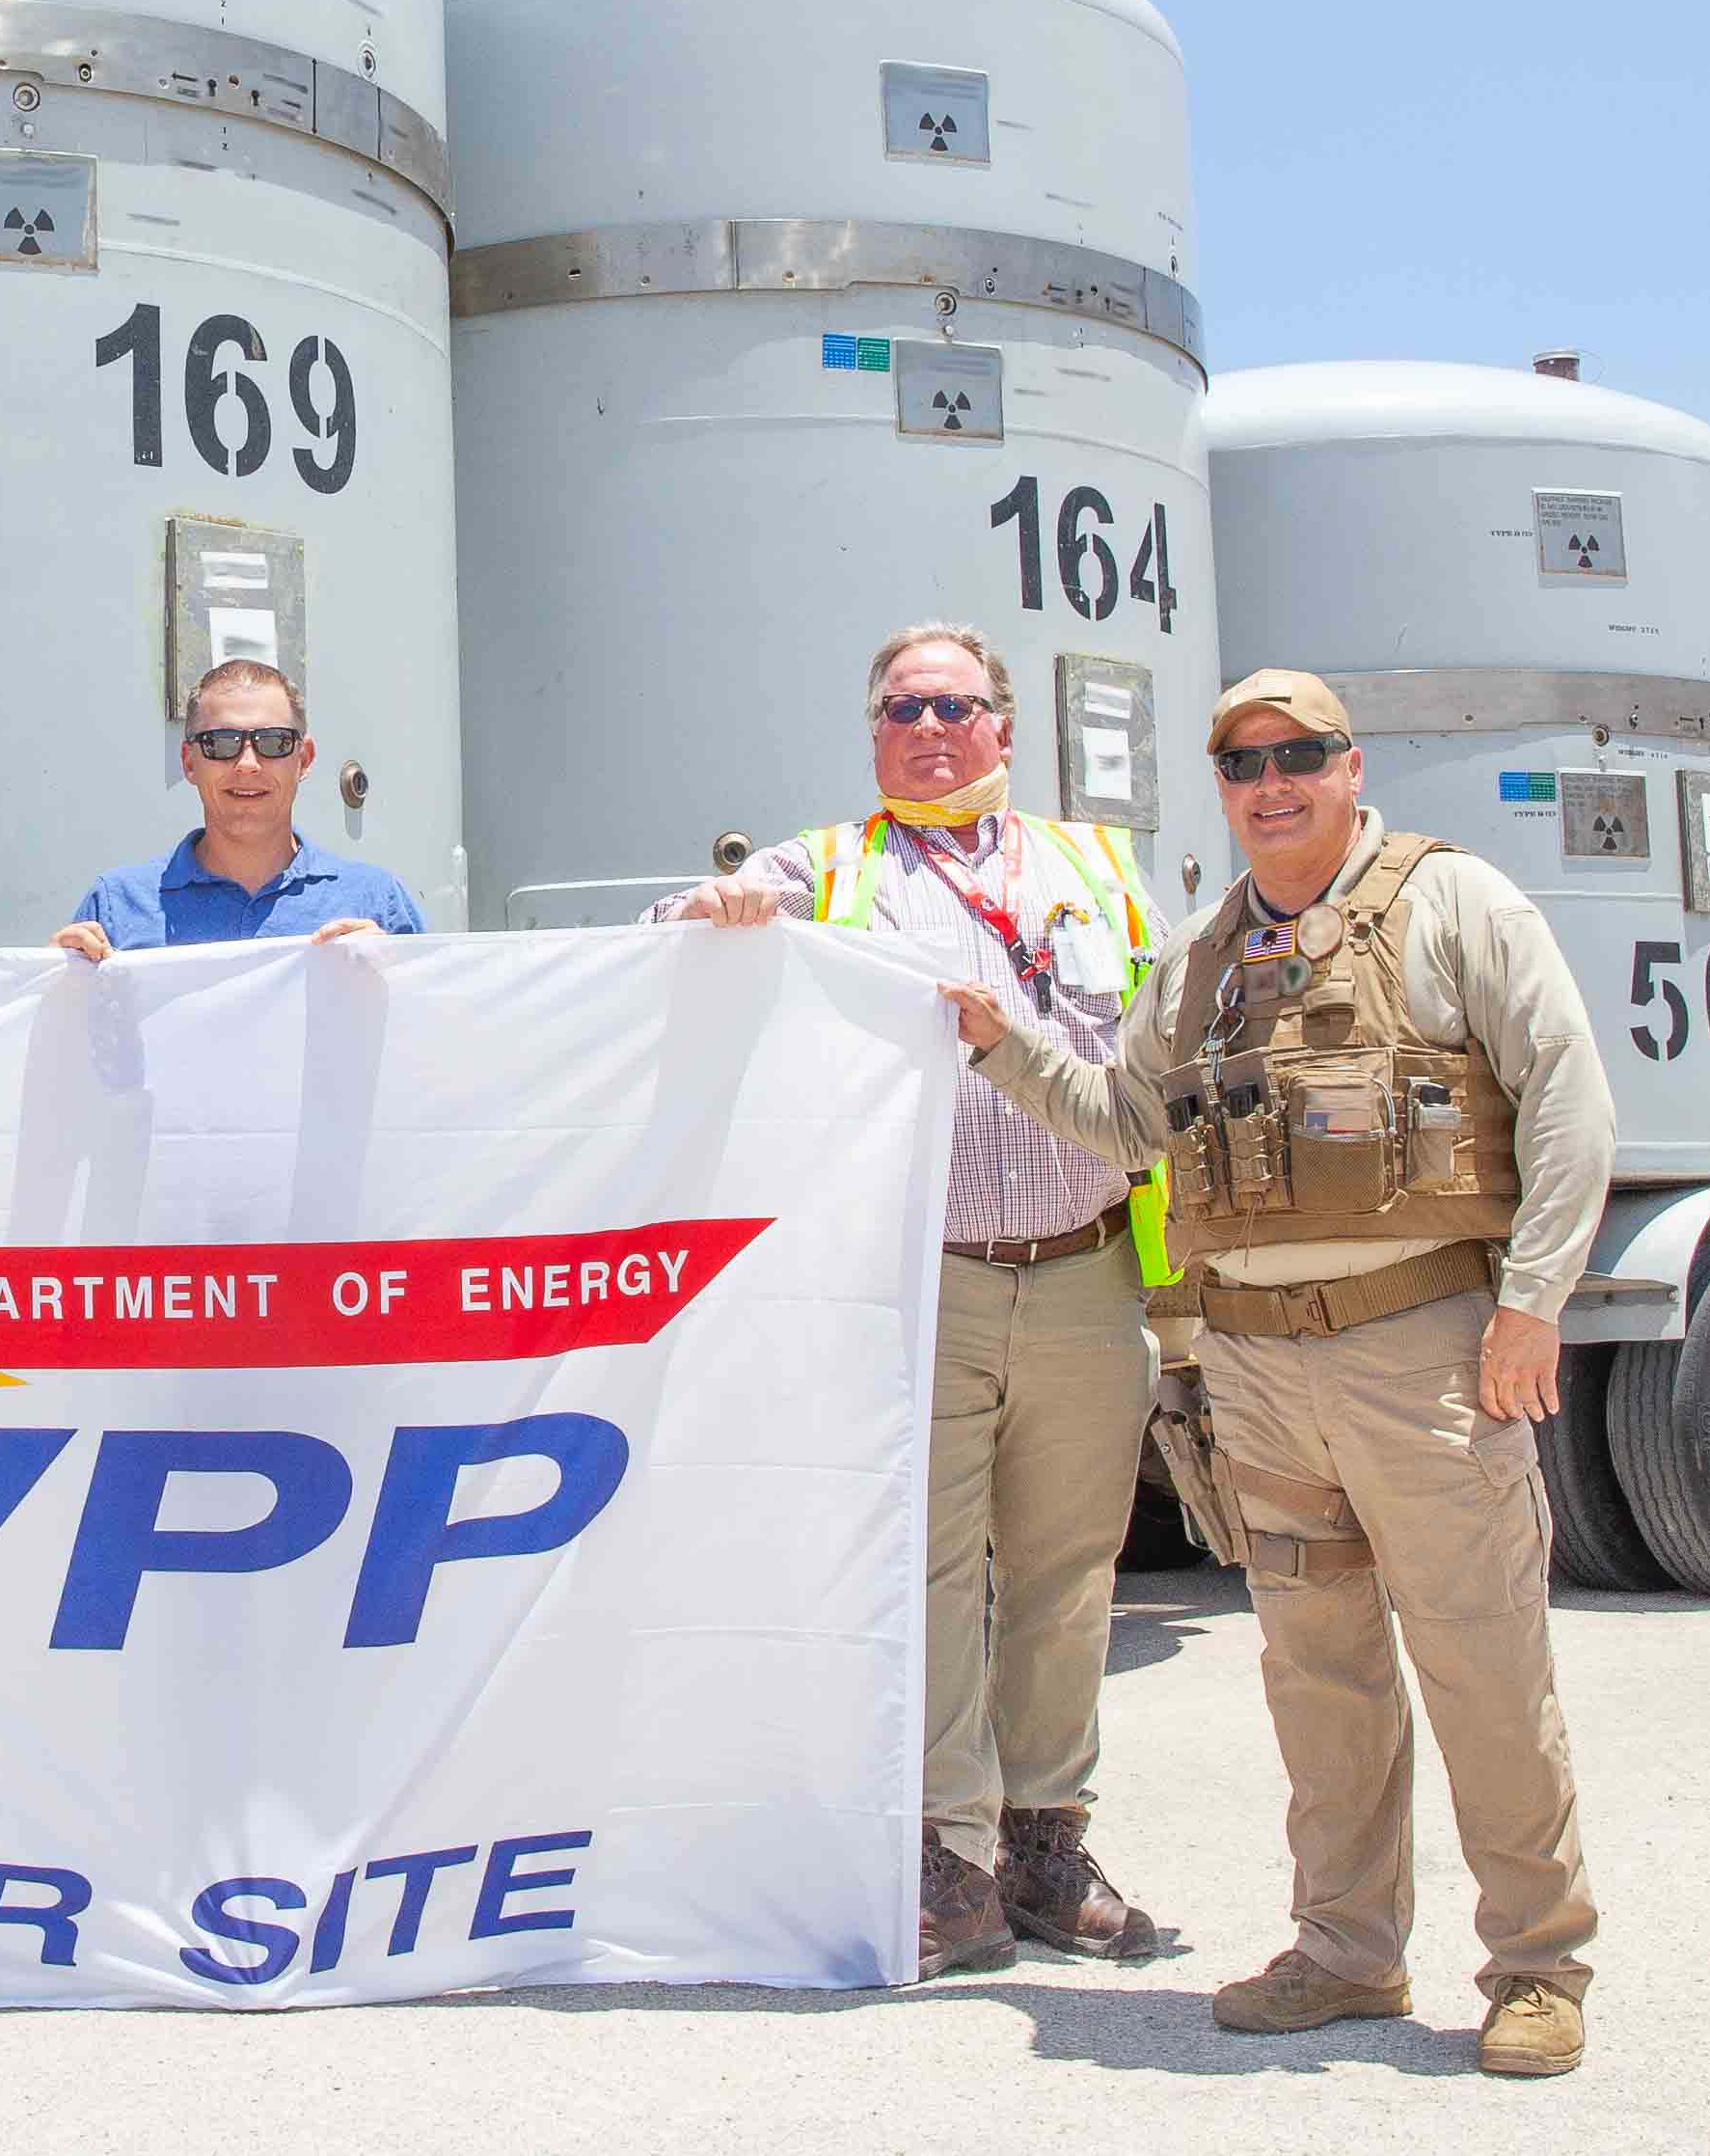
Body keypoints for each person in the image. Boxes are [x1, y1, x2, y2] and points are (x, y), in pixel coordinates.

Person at [945, 669, 1608, 2078]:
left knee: (1481, 1658)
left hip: (1421, 1349)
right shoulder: (1199, 953)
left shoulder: (1456, 904)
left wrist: (1535, 1299)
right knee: (1320, 1672)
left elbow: (1565, 1091)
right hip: (1261, 1371)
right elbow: (1124, 1119)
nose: (1273, 781)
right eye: (1244, 761)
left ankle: (1538, 1960)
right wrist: (1001, 1047)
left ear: (1351, 765)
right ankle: (1347, 1948)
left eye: (1300, 754)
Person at [649, 621, 1170, 1979]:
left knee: (1067, 1577)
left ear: (1006, 723)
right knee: (933, 1574)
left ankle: (1049, 1843)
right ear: (872, 730)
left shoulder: (1100, 869)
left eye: (955, 705)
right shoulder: (823, 868)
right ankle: (947, 1850)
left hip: (1087, 1262)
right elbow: (662, 946)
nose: (929, 727)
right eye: (900, 708)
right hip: (918, 1276)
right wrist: (710, 915)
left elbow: (1168, 1051)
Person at [54, 660, 425, 956]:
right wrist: (45, 984)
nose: (247, 763)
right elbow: (61, 1042)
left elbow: (437, 1035)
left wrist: (398, 972)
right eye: (221, 743)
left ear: (304, 759)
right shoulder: (116, 908)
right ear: (188, 761)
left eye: (274, 742)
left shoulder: (376, 903)